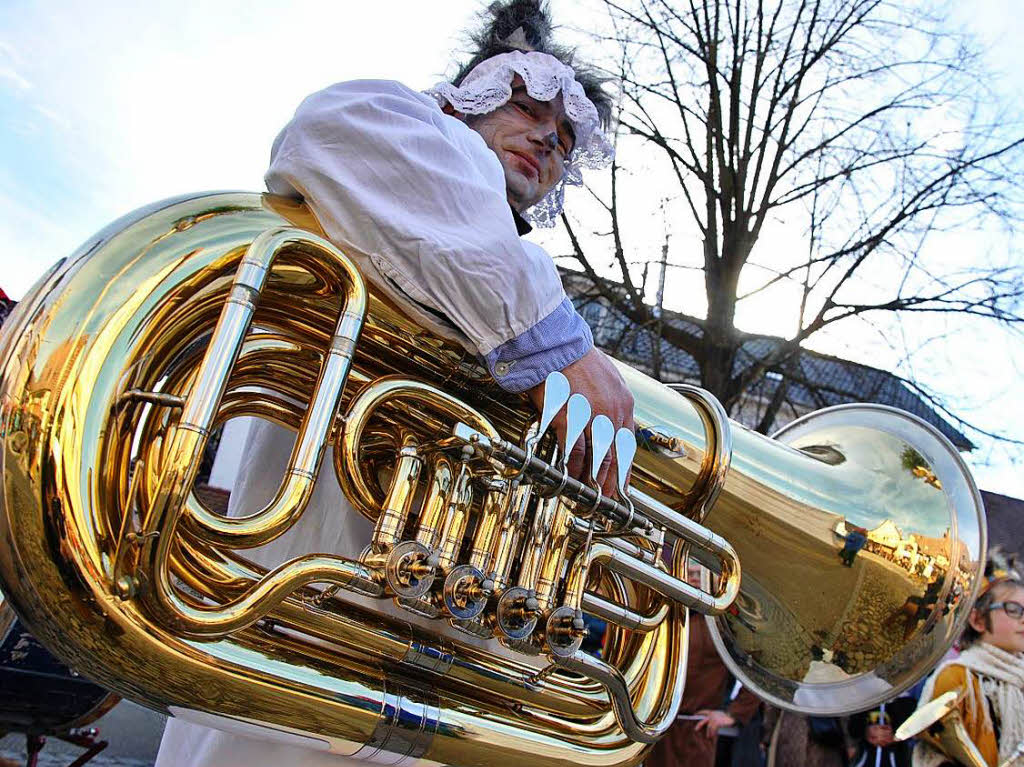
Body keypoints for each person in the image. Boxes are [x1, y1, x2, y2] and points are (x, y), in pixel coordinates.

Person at [155, 2, 632, 766]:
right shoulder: (416, 140)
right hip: (290, 653)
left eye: (567, 136)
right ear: (467, 96)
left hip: (420, 680)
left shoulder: (502, 269)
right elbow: (333, 123)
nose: (549, 136)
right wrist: (556, 343)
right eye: (528, 105)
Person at [911, 553, 1024, 767]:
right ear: (978, 620)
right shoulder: (956, 676)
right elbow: (932, 758)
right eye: (1013, 609)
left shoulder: (1020, 676)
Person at [644, 563, 762, 767]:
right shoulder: (664, 615)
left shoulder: (723, 624)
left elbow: (760, 669)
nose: (694, 578)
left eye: (700, 574)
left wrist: (733, 714)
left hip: (697, 732)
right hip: (656, 731)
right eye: (689, 573)